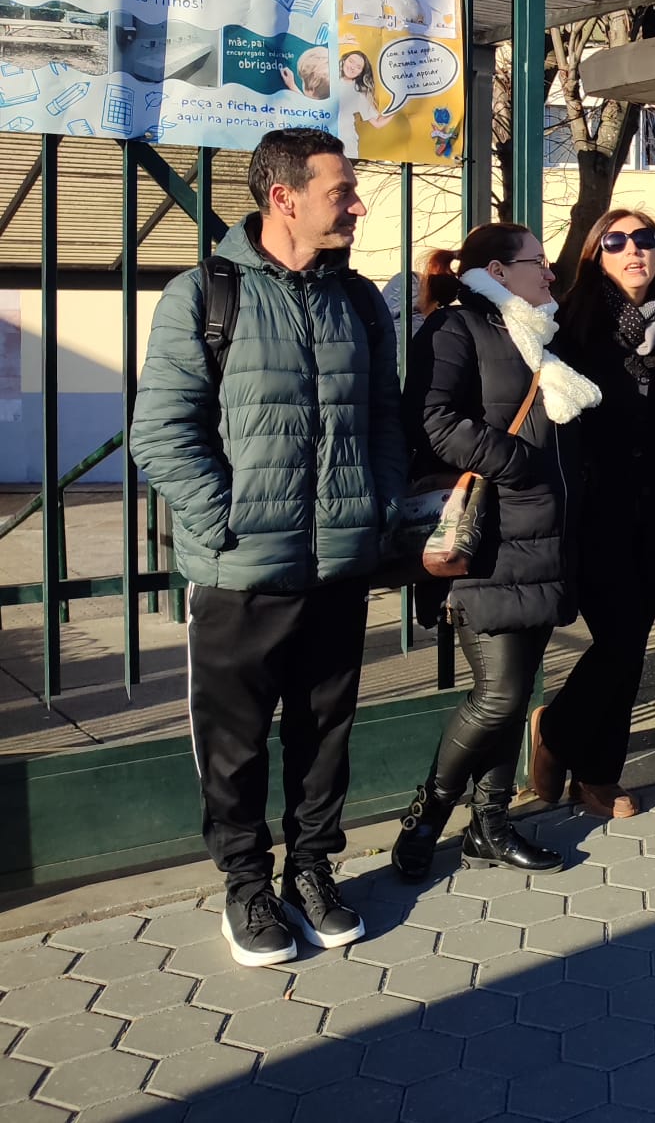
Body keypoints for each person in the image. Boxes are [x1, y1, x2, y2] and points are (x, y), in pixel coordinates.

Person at [132, 128, 404, 967]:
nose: (357, 206)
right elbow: (162, 434)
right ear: (284, 197)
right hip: (241, 572)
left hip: (338, 567)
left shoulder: (359, 301)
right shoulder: (203, 296)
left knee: (325, 735)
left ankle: (312, 871)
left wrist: (379, 507)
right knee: (236, 744)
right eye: (340, 192)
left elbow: (384, 421)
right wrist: (228, 523)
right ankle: (246, 886)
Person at [392, 222, 600, 881]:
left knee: (512, 695)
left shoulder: (538, 332)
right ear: (500, 271)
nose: (551, 272)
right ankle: (428, 813)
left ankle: (490, 825)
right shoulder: (456, 328)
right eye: (538, 261)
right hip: (488, 543)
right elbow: (430, 420)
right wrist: (518, 464)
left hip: (542, 539)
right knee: (501, 696)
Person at [530, 208, 655, 821]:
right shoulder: (571, 323)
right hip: (593, 504)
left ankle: (596, 773)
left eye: (644, 239)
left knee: (633, 641)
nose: (633, 250)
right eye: (616, 241)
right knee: (618, 640)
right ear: (596, 255)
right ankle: (561, 734)